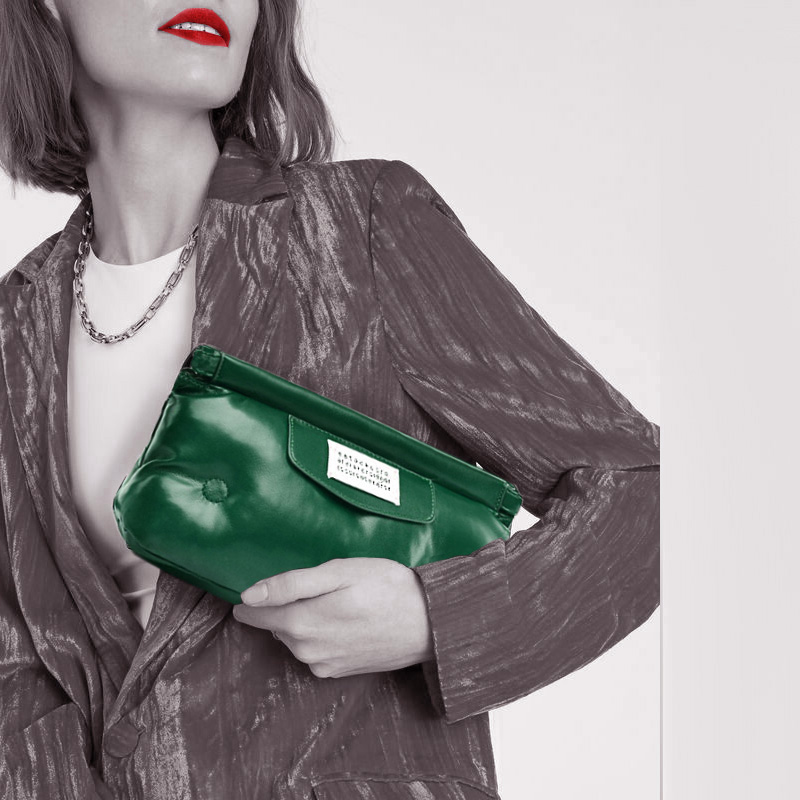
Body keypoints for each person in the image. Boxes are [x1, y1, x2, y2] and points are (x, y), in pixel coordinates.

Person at [0, 1, 660, 799]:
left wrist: (434, 617)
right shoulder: (15, 326)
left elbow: (647, 496)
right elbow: (19, 669)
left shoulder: (358, 229)